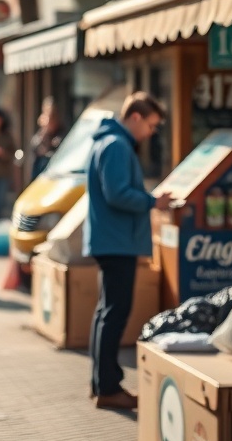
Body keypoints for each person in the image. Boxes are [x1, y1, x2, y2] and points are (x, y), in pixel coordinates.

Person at [84, 91, 174, 411]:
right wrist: (154, 202)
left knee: (106, 313)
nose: (151, 133)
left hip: (110, 239)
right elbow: (118, 194)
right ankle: (108, 387)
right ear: (135, 117)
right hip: (116, 240)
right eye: (150, 125)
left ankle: (101, 384)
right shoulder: (117, 146)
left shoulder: (108, 142)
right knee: (115, 313)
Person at [30, 96, 66, 181]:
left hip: (55, 170)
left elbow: (58, 147)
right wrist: (45, 130)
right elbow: (35, 146)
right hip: (40, 169)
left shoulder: (60, 133)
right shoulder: (42, 132)